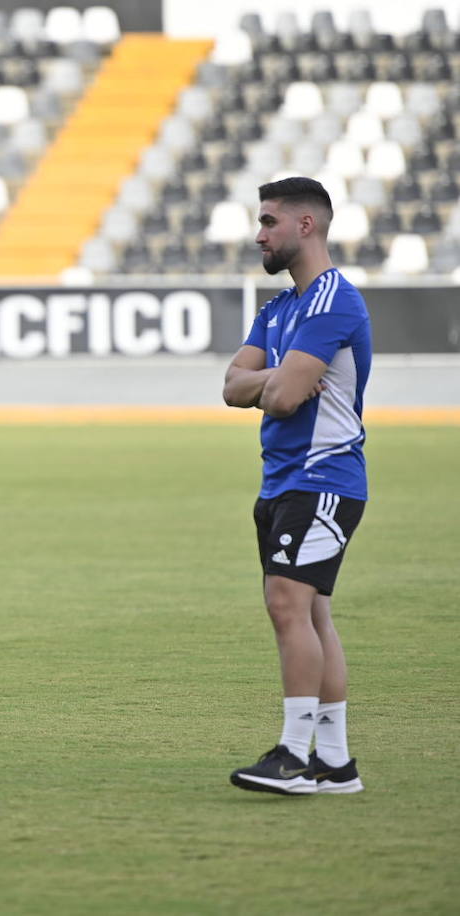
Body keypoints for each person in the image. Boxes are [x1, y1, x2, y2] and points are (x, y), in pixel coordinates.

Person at [222, 176, 371, 795]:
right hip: (284, 480)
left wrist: (274, 381)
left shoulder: (335, 300)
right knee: (312, 612)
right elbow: (234, 387)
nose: (259, 235)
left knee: (288, 604)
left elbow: (278, 397)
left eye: (268, 222)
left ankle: (292, 753)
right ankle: (333, 763)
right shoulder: (276, 308)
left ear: (305, 226)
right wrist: (279, 379)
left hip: (323, 478)